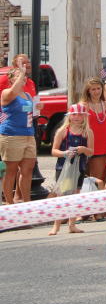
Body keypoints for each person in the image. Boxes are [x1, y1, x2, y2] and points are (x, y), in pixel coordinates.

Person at [48, 103, 94, 235]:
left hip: (79, 167)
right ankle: (56, 226)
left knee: (75, 195)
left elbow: (91, 151)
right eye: (74, 114)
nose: (77, 117)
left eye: (80, 114)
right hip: (64, 168)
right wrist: (64, 153)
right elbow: (54, 151)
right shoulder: (63, 131)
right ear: (69, 116)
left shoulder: (88, 132)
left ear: (85, 116)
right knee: (61, 195)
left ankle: (72, 225)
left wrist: (84, 149)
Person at [1, 54, 38, 204]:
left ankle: (26, 202)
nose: (21, 77)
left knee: (27, 170)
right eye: (17, 76)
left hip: (28, 134)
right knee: (11, 170)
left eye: (22, 76)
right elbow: (12, 93)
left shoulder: (28, 95)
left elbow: (29, 112)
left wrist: (38, 108)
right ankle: (10, 204)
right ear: (11, 80)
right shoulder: (6, 93)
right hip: (12, 135)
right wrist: (21, 71)